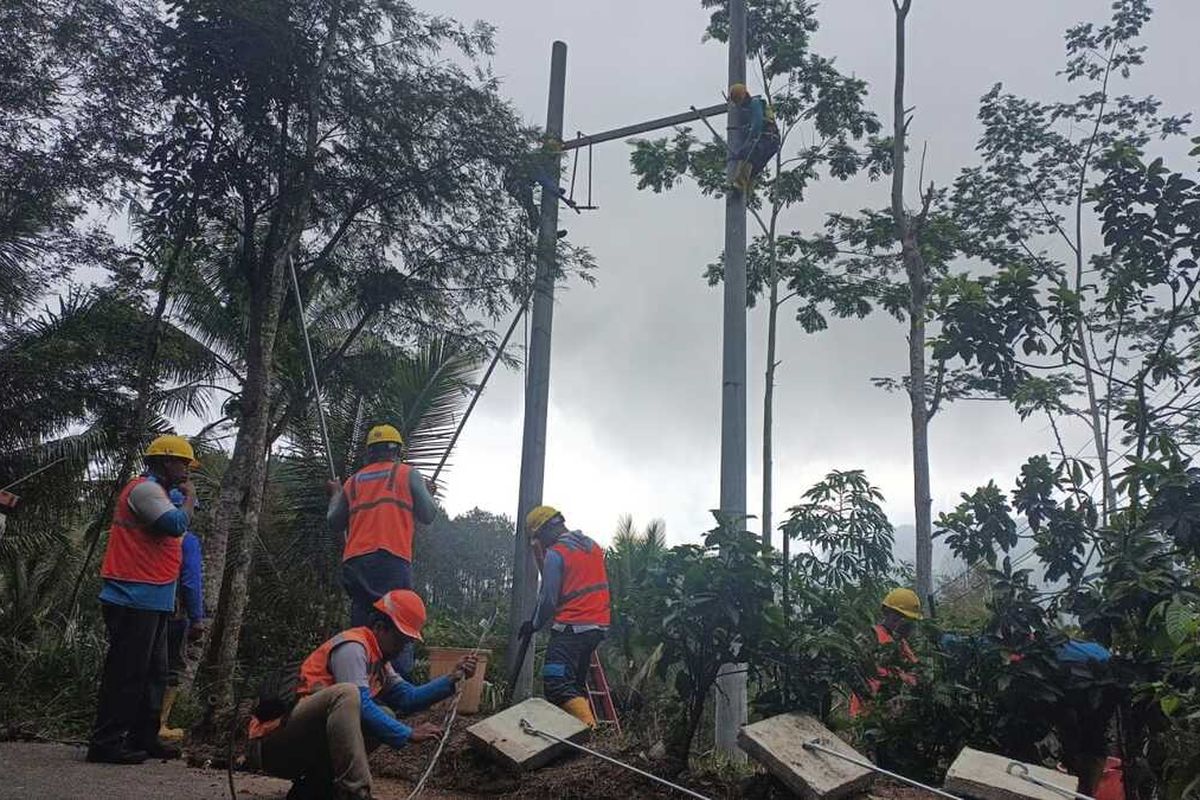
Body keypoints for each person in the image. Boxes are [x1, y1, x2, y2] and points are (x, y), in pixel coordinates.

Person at [246, 589, 477, 800]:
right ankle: (355, 792)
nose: (401, 648)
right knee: (347, 695)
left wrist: (451, 678)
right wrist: (407, 733)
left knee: (384, 712)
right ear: (379, 627)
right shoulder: (353, 647)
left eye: (406, 642)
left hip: (301, 746)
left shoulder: (380, 663)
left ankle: (315, 788)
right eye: (400, 639)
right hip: (272, 744)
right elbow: (362, 704)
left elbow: (408, 698)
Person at [88, 434, 198, 764]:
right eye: (183, 464)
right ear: (165, 461)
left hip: (153, 598)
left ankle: (144, 737)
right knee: (127, 673)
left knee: (155, 673)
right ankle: (106, 742)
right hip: (132, 596)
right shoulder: (144, 490)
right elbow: (175, 524)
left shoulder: (160, 492)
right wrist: (189, 499)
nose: (187, 472)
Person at [326, 424, 437, 675]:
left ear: (369, 453)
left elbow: (334, 521)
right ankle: (399, 690)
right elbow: (428, 514)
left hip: (356, 562)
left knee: (363, 623)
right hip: (391, 558)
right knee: (399, 620)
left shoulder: (353, 483)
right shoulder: (407, 474)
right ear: (397, 450)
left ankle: (359, 683)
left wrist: (335, 493)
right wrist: (428, 495)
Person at [521, 505, 611, 727]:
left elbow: (549, 599)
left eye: (538, 538)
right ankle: (577, 734)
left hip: (572, 627)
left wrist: (533, 625)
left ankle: (590, 731)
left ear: (542, 533)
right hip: (596, 628)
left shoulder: (556, 553)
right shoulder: (593, 547)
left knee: (556, 683)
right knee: (575, 685)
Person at [158, 487, 207, 743]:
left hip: (147, 608)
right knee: (170, 669)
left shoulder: (151, 534)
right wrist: (198, 618)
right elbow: (191, 581)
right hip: (174, 613)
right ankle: (159, 724)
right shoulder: (186, 540)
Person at [848, 587, 922, 718]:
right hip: (867, 714)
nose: (905, 624)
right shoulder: (870, 636)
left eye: (909, 621)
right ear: (888, 613)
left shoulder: (901, 643)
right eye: (901, 617)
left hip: (892, 716)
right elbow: (853, 669)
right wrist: (872, 698)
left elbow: (916, 671)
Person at [729, 82, 781, 193]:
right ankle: (746, 194)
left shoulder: (755, 103)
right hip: (773, 142)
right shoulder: (751, 108)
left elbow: (757, 124)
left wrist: (748, 141)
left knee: (747, 153)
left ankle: (739, 185)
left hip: (768, 138)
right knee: (754, 167)